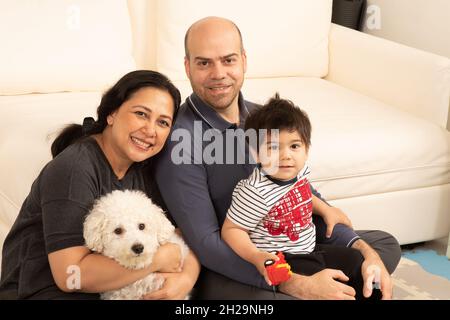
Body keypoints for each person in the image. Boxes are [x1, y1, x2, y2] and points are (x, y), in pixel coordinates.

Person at [153, 17, 401, 299]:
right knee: (252, 298)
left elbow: (301, 197)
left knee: (382, 246)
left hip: (294, 245)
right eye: (204, 63)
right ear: (187, 67)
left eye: (228, 60)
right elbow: (208, 244)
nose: (218, 73)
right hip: (239, 265)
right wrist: (297, 283)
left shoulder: (263, 119)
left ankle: (340, 283)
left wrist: (363, 251)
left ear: (244, 61)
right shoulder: (180, 142)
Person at [0, 70, 200, 299]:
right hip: (40, 291)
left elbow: (181, 234)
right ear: (112, 113)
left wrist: (186, 279)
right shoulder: (74, 169)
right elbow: (70, 276)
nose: (150, 130)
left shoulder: (144, 168)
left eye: (163, 122)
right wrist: (158, 259)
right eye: (141, 114)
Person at [222, 94, 376, 300]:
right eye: (274, 147)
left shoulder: (298, 173)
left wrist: (326, 209)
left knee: (357, 260)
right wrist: (256, 256)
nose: (286, 155)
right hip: (286, 261)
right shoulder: (254, 191)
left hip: (311, 250)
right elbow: (232, 230)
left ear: (306, 149)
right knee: (328, 288)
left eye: (294, 146)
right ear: (256, 153)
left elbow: (303, 195)